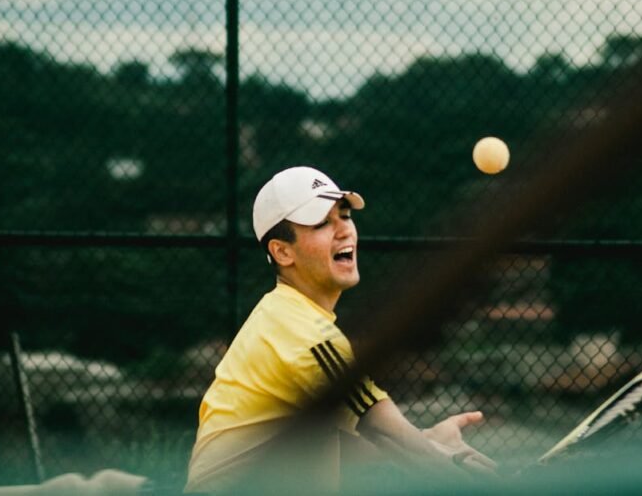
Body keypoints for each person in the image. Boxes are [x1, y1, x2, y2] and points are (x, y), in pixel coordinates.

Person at [184, 166, 496, 493]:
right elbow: (384, 432)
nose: (344, 231)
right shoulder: (304, 333)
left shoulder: (280, 316)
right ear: (282, 251)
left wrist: (429, 439)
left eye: (344, 216)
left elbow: (327, 445)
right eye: (321, 223)